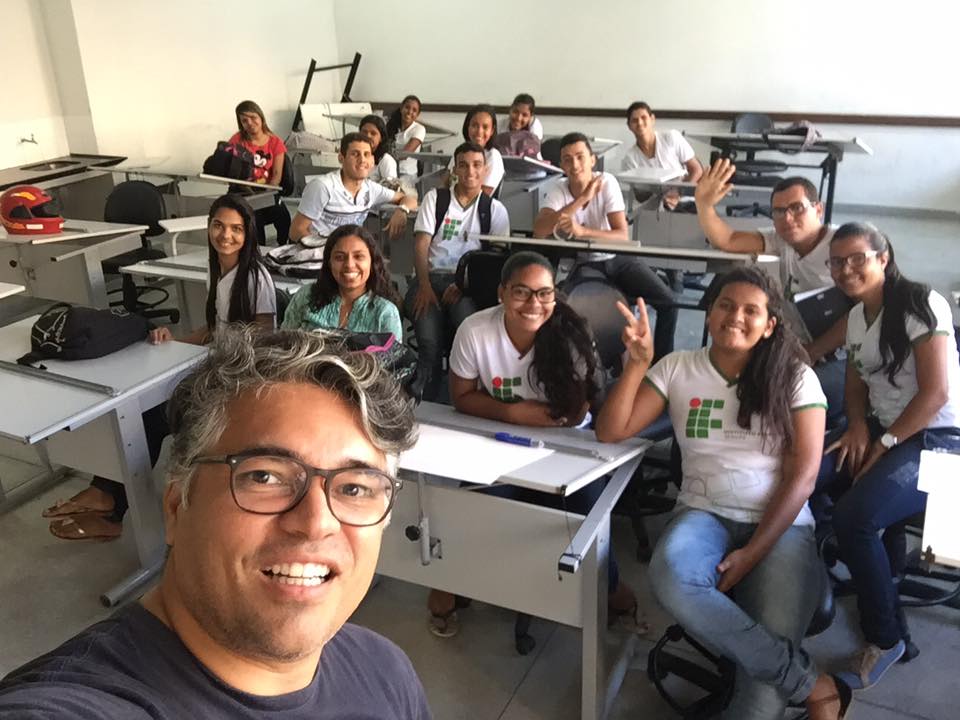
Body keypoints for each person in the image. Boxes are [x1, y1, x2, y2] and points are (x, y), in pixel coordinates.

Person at [4, 328, 430, 718]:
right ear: (176, 506)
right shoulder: (80, 705)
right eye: (265, 476)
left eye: (355, 488)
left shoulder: (387, 672)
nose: (316, 522)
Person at [596, 266, 851, 720]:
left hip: (782, 524)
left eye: (751, 310)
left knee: (760, 689)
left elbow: (803, 477)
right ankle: (812, 684)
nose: (736, 317)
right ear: (709, 313)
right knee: (671, 576)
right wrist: (636, 364)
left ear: (770, 323)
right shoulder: (677, 368)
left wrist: (753, 552)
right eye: (725, 306)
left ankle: (784, 681)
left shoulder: (795, 377)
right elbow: (612, 431)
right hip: (703, 511)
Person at [427, 251, 637, 637]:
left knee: (587, 515)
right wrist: (513, 414)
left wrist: (524, 416)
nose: (534, 304)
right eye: (522, 292)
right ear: (502, 293)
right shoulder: (475, 331)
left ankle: (610, 589)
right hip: (498, 440)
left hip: (567, 447)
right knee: (470, 506)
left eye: (545, 293)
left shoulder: (571, 334)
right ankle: (452, 582)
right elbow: (462, 397)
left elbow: (574, 414)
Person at [44, 194, 276, 541]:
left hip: (236, 379)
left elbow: (263, 341)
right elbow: (215, 328)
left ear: (249, 234)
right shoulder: (221, 271)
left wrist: (218, 366)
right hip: (214, 367)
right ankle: (109, 499)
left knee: (152, 417)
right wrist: (174, 340)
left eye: (236, 229)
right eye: (218, 225)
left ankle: (111, 503)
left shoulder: (255, 278)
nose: (225, 235)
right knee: (142, 409)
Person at [818, 223, 960, 691]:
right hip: (886, 429)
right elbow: (856, 383)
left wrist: (883, 445)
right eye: (837, 261)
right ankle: (879, 579)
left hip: (941, 437)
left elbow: (936, 393)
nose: (846, 269)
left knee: (854, 517)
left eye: (857, 257)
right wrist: (858, 426)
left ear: (883, 256)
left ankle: (886, 638)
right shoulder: (859, 316)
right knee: (815, 475)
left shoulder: (920, 304)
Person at [695, 160, 847, 426]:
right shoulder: (780, 240)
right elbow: (728, 240)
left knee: (789, 398)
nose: (787, 218)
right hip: (796, 347)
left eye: (796, 208)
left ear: (818, 209)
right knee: (725, 384)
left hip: (845, 355)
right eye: (778, 211)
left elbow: (863, 314)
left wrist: (811, 352)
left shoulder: (841, 246)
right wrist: (704, 205)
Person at [533, 132, 678, 360]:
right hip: (584, 262)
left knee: (668, 302)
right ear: (561, 164)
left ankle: (659, 365)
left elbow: (621, 235)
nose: (575, 164)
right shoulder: (559, 189)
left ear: (592, 160)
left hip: (618, 259)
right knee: (567, 308)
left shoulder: (606, 181)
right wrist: (581, 199)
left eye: (580, 157)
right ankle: (580, 362)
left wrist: (583, 232)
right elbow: (540, 231)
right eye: (568, 159)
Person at [406, 141, 510, 401]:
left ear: (485, 170)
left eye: (476, 165)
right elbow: (421, 246)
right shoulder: (436, 199)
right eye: (463, 165)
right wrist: (425, 286)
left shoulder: (494, 211)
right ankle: (425, 403)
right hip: (429, 279)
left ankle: (460, 399)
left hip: (466, 285)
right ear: (455, 169)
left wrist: (464, 285)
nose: (470, 172)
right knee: (429, 342)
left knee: (466, 336)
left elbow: (496, 259)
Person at [289, 132, 416, 244]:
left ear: (372, 160)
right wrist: (330, 252)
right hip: (316, 256)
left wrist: (402, 211)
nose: (362, 160)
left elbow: (409, 198)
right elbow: (296, 231)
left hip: (346, 254)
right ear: (341, 158)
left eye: (366, 154)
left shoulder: (371, 189)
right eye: (355, 154)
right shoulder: (323, 186)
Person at [282, 223, 403, 339]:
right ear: (329, 263)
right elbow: (282, 347)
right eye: (339, 257)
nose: (349, 265)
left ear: (372, 262)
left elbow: (391, 360)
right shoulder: (306, 296)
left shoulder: (385, 313)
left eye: (358, 256)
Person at [229, 99, 290, 244]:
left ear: (261, 118)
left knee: (284, 217)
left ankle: (283, 247)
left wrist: (264, 194)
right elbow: (232, 172)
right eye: (244, 120)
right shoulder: (236, 140)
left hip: (268, 190)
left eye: (253, 118)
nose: (249, 123)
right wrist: (250, 193)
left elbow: (276, 176)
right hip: (243, 191)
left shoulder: (275, 142)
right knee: (254, 219)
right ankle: (258, 254)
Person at [621, 100, 702, 210]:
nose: (639, 123)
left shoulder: (671, 137)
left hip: (685, 201)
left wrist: (679, 193)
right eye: (634, 120)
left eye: (644, 118)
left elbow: (697, 169)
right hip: (655, 208)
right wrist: (657, 192)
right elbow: (639, 196)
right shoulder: (629, 159)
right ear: (629, 126)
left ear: (652, 119)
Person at [445, 104, 505, 196]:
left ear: (492, 131)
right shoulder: (461, 151)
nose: (479, 132)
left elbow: (482, 195)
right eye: (474, 125)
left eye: (485, 127)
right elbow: (446, 183)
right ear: (467, 127)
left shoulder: (493, 156)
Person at [386, 95, 425, 184]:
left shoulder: (419, 129)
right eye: (407, 107)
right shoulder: (391, 126)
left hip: (407, 174)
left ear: (417, 115)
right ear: (401, 109)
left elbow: (404, 154)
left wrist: (386, 156)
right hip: (388, 171)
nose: (410, 112)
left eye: (414, 110)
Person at [359, 113, 400, 188]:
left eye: (373, 133)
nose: (368, 136)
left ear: (381, 138)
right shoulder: (355, 157)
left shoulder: (386, 160)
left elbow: (391, 190)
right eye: (364, 132)